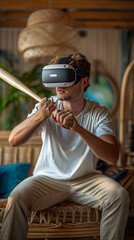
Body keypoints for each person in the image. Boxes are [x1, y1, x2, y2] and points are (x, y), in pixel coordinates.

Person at [1, 53, 129, 240]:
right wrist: (40, 116)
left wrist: (77, 128)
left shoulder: (98, 113)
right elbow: (13, 140)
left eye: (66, 79)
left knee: (119, 196)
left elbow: (111, 156)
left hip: (87, 179)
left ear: (84, 82)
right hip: (47, 179)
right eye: (56, 79)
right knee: (16, 198)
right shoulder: (44, 108)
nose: (59, 86)